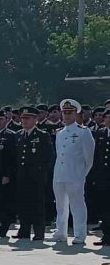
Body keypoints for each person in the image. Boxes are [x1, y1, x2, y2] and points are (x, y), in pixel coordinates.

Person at [51, 99, 95, 245]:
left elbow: (89, 158)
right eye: (64, 113)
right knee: (60, 205)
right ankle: (61, 232)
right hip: (60, 173)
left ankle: (80, 234)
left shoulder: (83, 132)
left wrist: (82, 173)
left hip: (75, 174)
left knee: (77, 204)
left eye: (70, 113)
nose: (67, 116)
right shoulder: (60, 132)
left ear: (76, 114)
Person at [13, 107, 54, 241]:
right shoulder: (19, 135)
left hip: (37, 176)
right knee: (23, 203)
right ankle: (24, 230)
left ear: (35, 120)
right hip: (21, 176)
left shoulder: (42, 135)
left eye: (28, 118)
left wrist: (43, 173)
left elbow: (49, 156)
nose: (24, 121)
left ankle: (38, 231)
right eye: (23, 118)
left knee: (37, 205)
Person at [94, 109, 110, 246]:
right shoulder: (100, 133)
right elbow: (96, 155)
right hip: (103, 177)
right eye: (107, 117)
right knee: (105, 207)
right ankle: (106, 236)